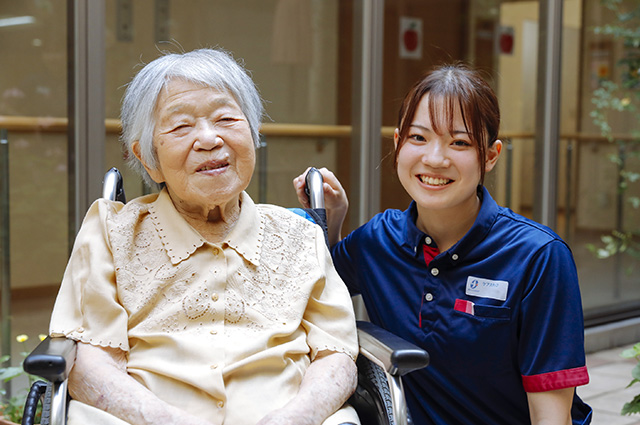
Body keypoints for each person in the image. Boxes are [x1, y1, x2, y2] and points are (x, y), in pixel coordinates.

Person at [49, 48, 360, 425]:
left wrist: (295, 418)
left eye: (226, 118)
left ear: (252, 133)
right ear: (149, 160)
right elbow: (89, 362)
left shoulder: (299, 236)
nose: (210, 138)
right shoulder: (113, 233)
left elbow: (335, 353)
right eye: (181, 127)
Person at [293, 63, 592, 425]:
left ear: (491, 155)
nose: (435, 159)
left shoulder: (538, 257)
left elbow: (551, 416)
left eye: (460, 142)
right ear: (398, 143)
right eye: (418, 138)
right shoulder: (377, 240)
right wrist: (335, 220)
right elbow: (319, 292)